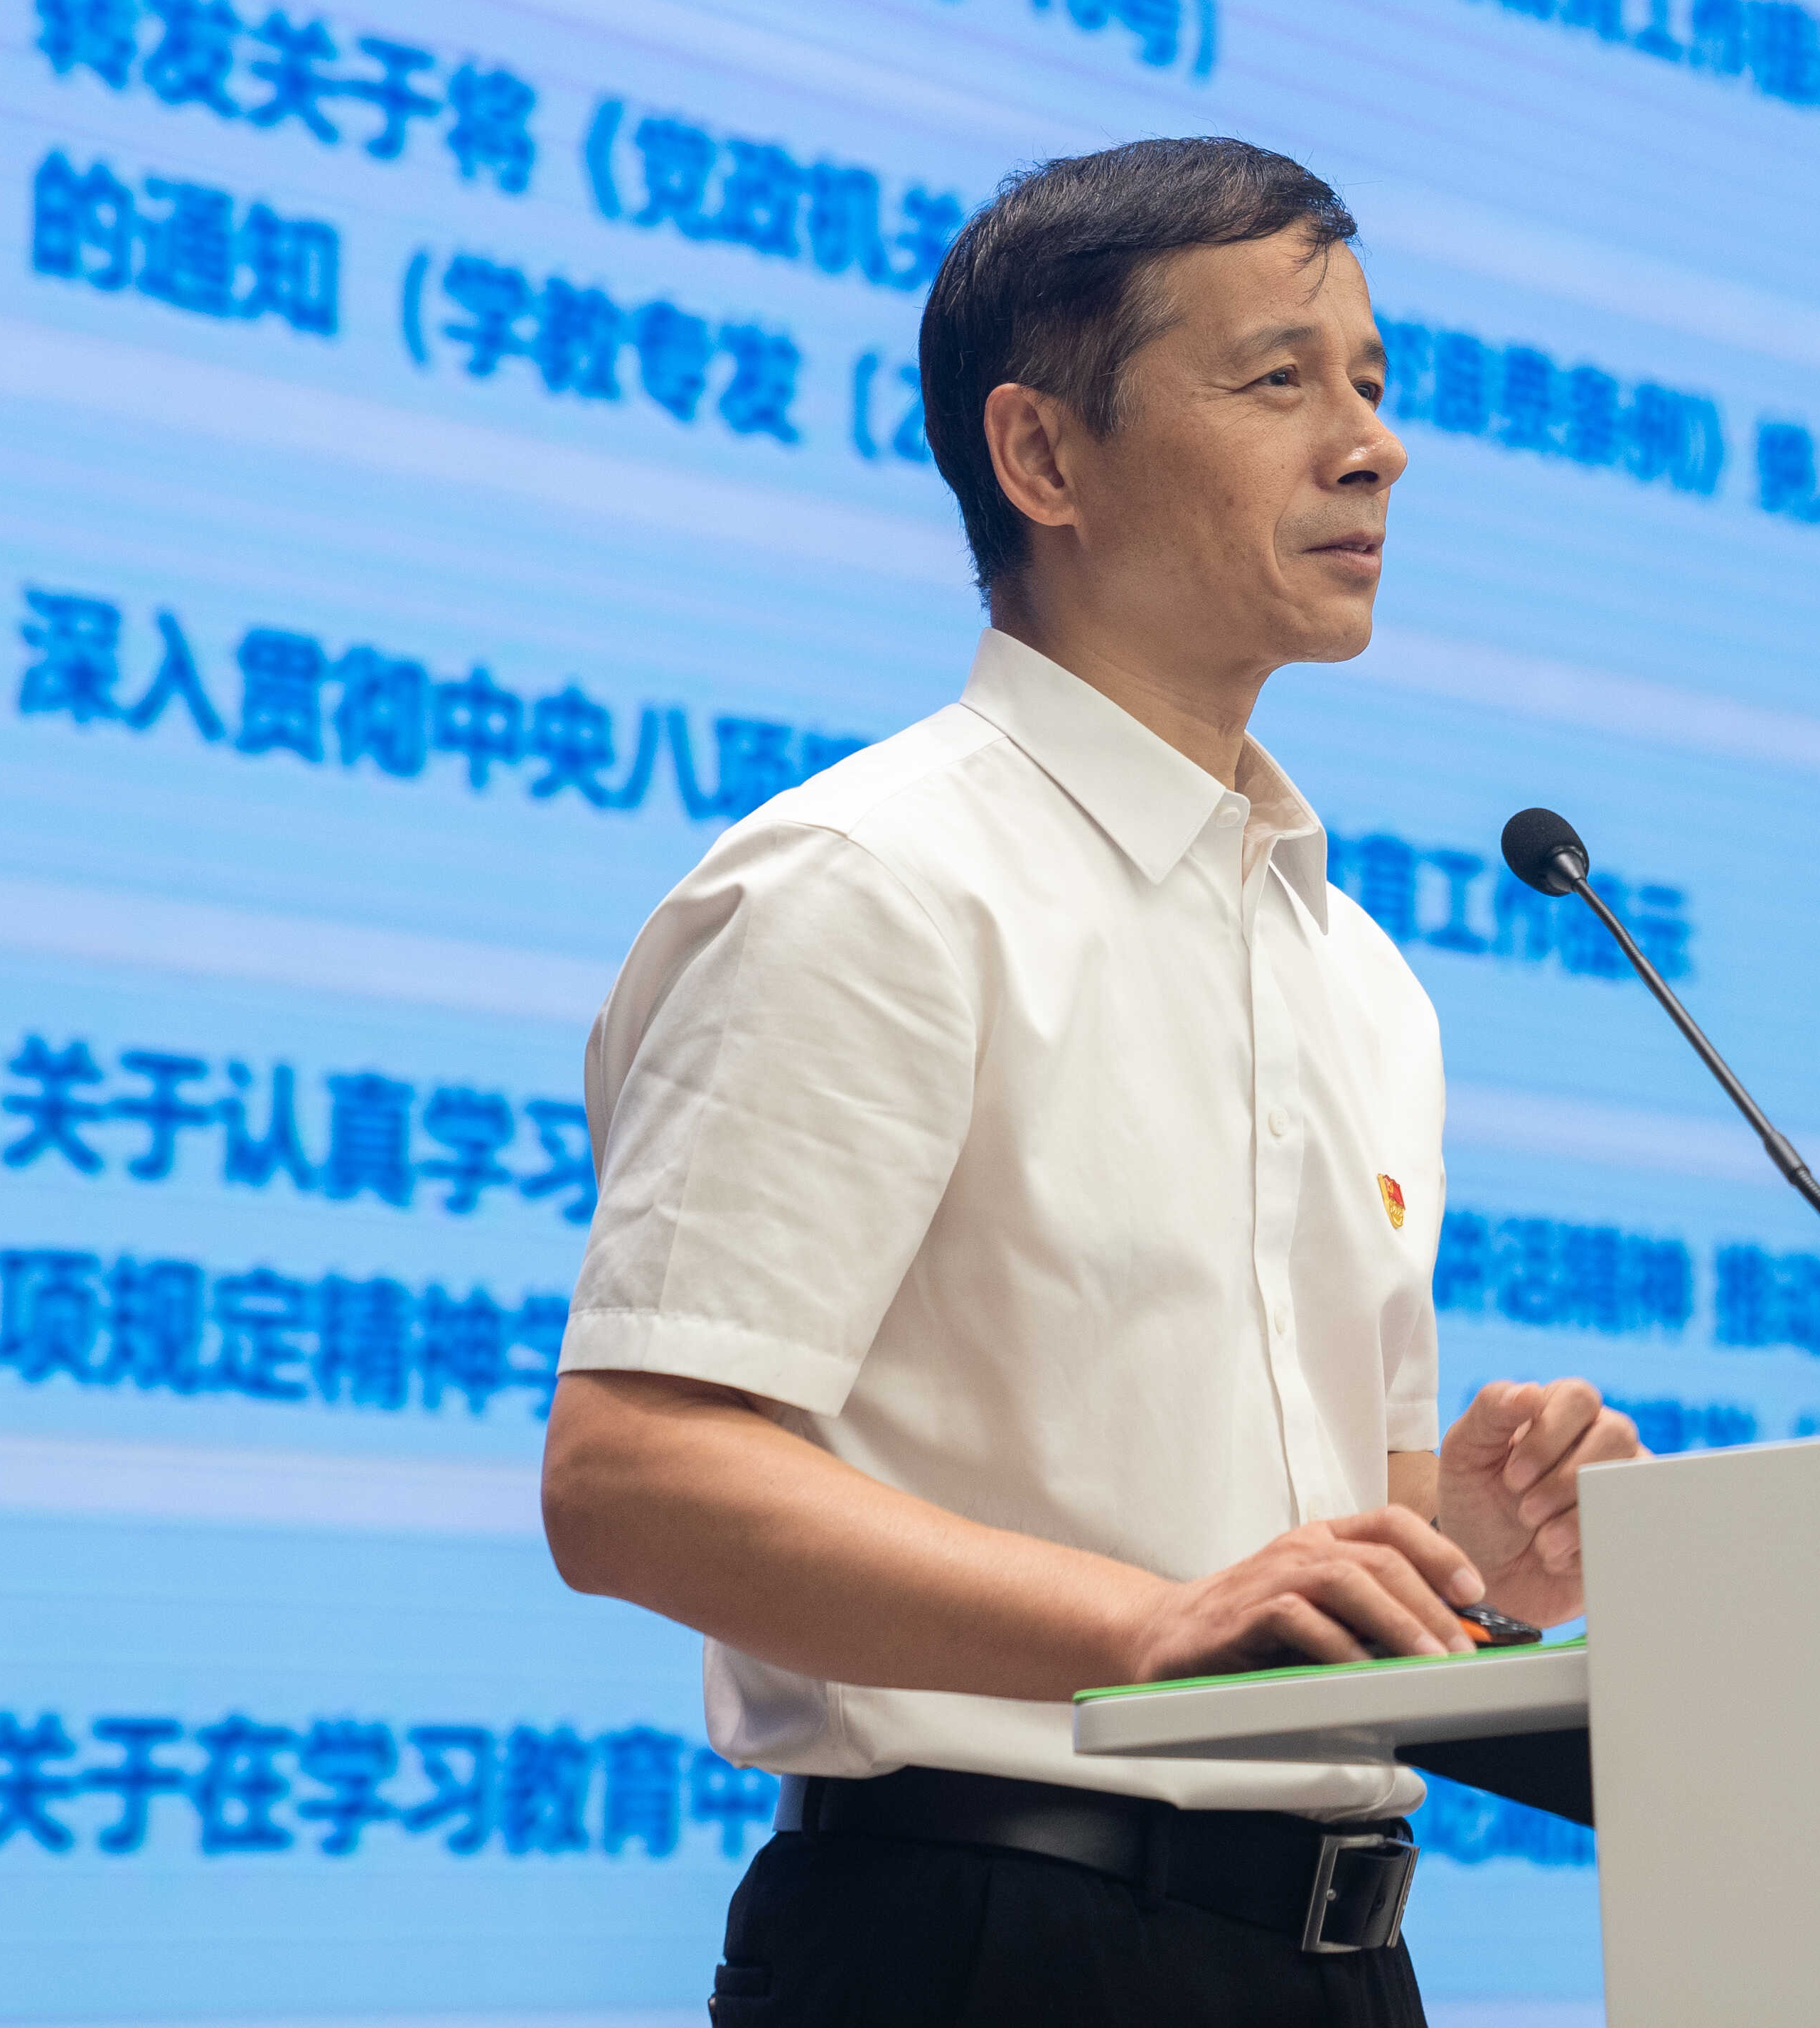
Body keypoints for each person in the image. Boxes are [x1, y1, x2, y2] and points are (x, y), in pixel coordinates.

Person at [540, 137, 1642, 2026]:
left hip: (1341, 1964)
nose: (1374, 447)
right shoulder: (875, 884)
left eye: (1374, 384)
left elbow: (1288, 1563)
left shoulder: (1360, 975)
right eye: (1279, 379)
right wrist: (1149, 1624)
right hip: (988, 1944)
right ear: (1042, 457)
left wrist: (1466, 1549)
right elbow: (632, 1476)